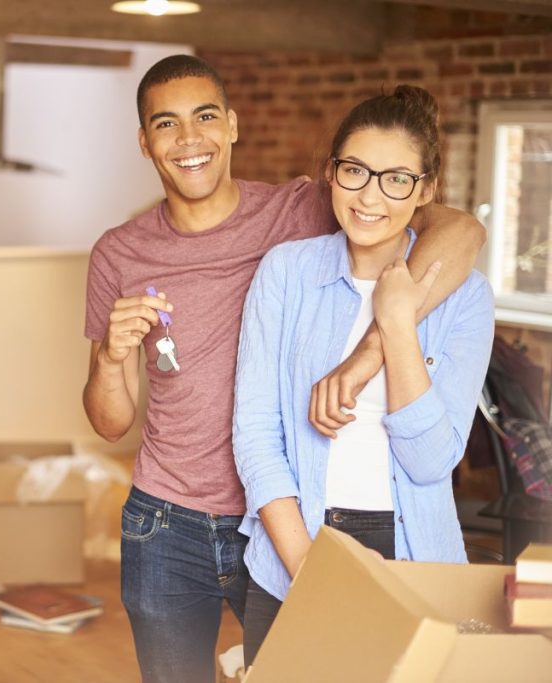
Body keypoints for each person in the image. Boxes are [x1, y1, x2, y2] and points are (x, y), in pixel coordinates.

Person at [82, 54, 485, 683]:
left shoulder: (302, 211)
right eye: (166, 125)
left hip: (271, 519)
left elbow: (459, 230)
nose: (189, 140)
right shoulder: (120, 253)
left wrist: (368, 355)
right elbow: (110, 425)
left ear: (234, 125)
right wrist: (110, 356)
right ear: (144, 141)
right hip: (168, 523)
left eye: (205, 117)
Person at [232, 84, 495, 667]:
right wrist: (308, 570)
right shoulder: (286, 273)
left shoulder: (465, 298)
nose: (370, 195)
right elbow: (254, 434)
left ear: (425, 191)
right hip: (295, 552)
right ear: (330, 173)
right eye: (355, 170)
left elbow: (431, 462)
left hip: (415, 559)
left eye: (396, 178)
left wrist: (398, 323)